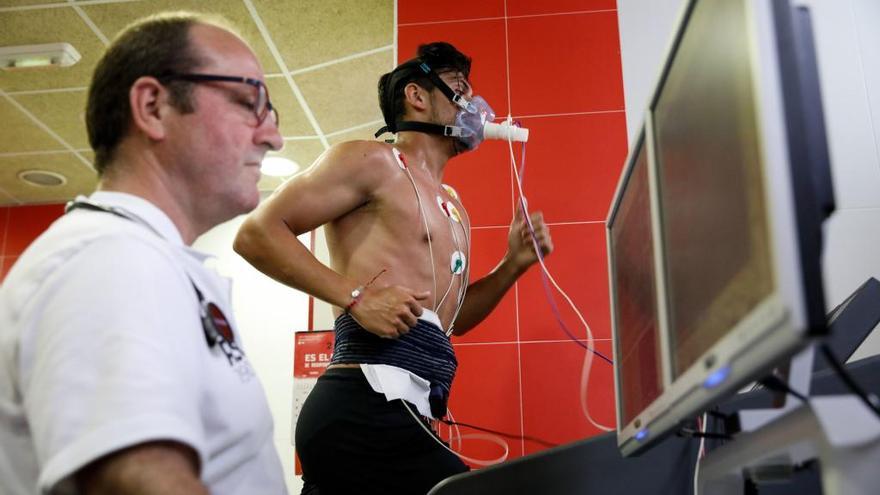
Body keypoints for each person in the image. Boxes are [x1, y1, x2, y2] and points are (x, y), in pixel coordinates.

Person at [234, 41, 553, 494]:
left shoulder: (453, 206)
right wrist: (355, 297)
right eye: (459, 88)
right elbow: (257, 233)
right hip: (362, 404)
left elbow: (452, 320)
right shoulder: (372, 161)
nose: (476, 106)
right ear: (417, 97)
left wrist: (513, 265)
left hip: (411, 413)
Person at [0, 12, 287, 495]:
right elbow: (139, 482)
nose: (272, 136)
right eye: (248, 101)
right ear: (153, 107)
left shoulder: (143, 258)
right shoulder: (110, 258)